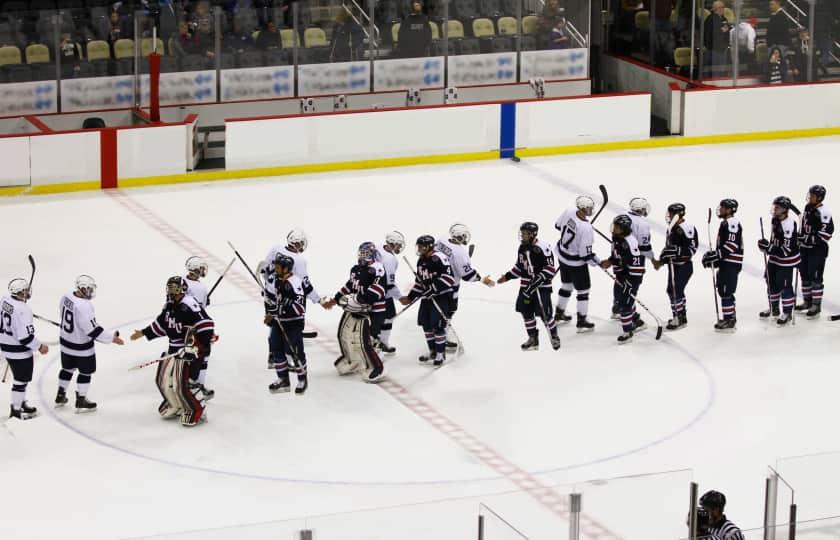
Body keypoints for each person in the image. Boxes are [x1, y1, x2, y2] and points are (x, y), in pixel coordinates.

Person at [130, 277, 215, 427]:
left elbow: (206, 325)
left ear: (182, 289)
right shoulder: (169, 305)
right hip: (174, 349)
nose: (171, 293)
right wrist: (144, 332)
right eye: (169, 289)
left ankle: (197, 410)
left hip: (190, 351)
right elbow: (162, 324)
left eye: (175, 289)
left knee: (185, 383)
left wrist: (199, 346)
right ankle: (175, 405)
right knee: (164, 380)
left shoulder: (190, 304)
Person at [261, 228, 332, 368]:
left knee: (275, 325)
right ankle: (287, 359)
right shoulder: (299, 260)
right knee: (289, 327)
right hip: (287, 299)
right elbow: (304, 285)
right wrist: (319, 299)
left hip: (270, 296)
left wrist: (268, 285)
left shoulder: (276, 248)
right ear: (298, 243)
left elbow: (264, 268)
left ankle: (273, 357)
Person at [56, 276, 124, 412]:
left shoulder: (67, 296)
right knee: (86, 373)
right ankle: (81, 400)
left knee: (67, 369)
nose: (91, 291)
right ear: (82, 289)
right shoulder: (84, 306)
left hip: (65, 342)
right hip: (81, 347)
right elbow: (92, 330)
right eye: (89, 289)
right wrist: (111, 337)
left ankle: (60, 394)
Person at [326, 242, 387, 383]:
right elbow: (350, 285)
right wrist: (335, 299)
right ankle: (352, 360)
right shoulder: (356, 269)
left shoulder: (377, 268)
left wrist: (360, 300)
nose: (362, 257)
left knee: (366, 341)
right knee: (342, 334)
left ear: (372, 254)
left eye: (365, 254)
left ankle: (378, 367)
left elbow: (379, 289)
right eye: (361, 253)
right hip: (355, 308)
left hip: (373, 310)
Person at [496, 222, 562, 351]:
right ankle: (533, 338)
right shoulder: (522, 248)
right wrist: (507, 276)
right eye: (522, 233)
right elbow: (520, 268)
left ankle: (554, 336)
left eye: (525, 234)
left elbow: (549, 270)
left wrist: (534, 284)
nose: (522, 236)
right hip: (525, 287)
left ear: (533, 234)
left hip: (541, 288)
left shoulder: (543, 247)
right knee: (525, 312)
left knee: (545, 314)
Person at [434, 224, 495, 351]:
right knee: (448, 311)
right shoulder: (460, 253)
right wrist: (482, 279)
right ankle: (441, 338)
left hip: (434, 280)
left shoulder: (442, 239)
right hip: (450, 286)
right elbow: (467, 275)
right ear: (459, 236)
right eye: (463, 236)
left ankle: (439, 334)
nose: (465, 238)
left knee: (438, 309)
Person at [399, 235, 455, 367]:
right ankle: (433, 351)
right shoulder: (421, 260)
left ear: (429, 246)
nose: (419, 249)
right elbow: (420, 283)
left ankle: (441, 355)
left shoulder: (439, 258)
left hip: (441, 297)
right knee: (426, 324)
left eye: (421, 246)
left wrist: (433, 289)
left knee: (437, 325)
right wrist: (411, 296)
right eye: (418, 246)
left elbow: (449, 279)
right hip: (427, 298)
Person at [1, 279, 49, 420]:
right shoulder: (23, 310)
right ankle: (16, 410)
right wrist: (40, 346)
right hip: (18, 350)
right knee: (21, 381)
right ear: (19, 293)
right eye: (25, 291)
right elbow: (25, 338)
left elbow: (10, 314)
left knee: (21, 379)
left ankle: (21, 403)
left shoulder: (5, 299)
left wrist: (18, 313)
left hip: (5, 344)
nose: (27, 293)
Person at [263, 254, 310, 394]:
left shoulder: (295, 283)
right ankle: (283, 379)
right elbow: (276, 300)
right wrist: (272, 307)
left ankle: (302, 379)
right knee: (275, 347)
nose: (275, 269)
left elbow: (299, 307)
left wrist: (277, 310)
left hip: (293, 323)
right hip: (280, 321)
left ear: (286, 268)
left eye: (278, 267)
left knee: (296, 352)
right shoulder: (278, 280)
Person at [553, 196, 601, 333]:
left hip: (562, 256)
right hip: (576, 264)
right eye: (588, 208)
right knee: (583, 291)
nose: (590, 210)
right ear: (582, 208)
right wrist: (598, 262)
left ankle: (559, 314)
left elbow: (557, 226)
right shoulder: (586, 228)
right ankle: (582, 321)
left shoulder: (569, 211)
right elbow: (585, 255)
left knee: (567, 285)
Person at [601, 215, 646, 344]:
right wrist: (610, 261)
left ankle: (628, 332)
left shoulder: (631, 243)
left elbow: (638, 268)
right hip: (621, 276)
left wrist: (630, 283)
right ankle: (636, 320)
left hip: (631, 278)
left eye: (617, 227)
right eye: (614, 226)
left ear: (625, 229)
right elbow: (618, 257)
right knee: (619, 301)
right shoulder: (616, 239)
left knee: (625, 305)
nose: (614, 229)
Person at [612, 197, 656, 326]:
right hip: (635, 258)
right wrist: (653, 259)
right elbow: (644, 247)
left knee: (620, 281)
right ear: (641, 210)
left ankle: (617, 307)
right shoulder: (643, 224)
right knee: (631, 287)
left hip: (619, 255)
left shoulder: (621, 216)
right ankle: (630, 315)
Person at [758, 196, 800, 325]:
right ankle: (774, 308)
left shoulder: (789, 224)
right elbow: (774, 241)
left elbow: (786, 250)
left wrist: (770, 248)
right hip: (774, 259)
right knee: (771, 282)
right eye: (774, 206)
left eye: (778, 207)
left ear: (785, 210)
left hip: (786, 260)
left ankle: (787, 313)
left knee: (784, 285)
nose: (775, 209)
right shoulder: (775, 220)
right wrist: (766, 246)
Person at [703, 199, 743, 332]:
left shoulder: (732, 223)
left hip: (731, 263)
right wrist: (715, 258)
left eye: (723, 208)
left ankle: (729, 320)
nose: (720, 210)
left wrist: (716, 255)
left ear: (730, 210)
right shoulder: (725, 223)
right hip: (726, 262)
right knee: (723, 290)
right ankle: (729, 317)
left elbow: (732, 245)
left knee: (726, 291)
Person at [657, 203, 698, 331]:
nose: (668, 215)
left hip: (683, 266)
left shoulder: (687, 227)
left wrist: (677, 251)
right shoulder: (671, 228)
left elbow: (692, 249)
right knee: (672, 290)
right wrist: (664, 257)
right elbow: (669, 248)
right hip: (673, 266)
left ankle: (680, 318)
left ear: (677, 214)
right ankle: (678, 316)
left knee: (676, 291)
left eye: (670, 213)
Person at [796, 185, 833, 319]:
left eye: (812, 195)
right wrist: (799, 238)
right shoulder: (808, 208)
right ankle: (807, 301)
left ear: (819, 198)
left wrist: (808, 238)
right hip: (804, 249)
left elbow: (826, 234)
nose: (810, 197)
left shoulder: (824, 212)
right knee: (804, 275)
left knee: (815, 277)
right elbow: (804, 227)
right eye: (810, 195)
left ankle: (816, 305)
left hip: (817, 251)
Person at [375, 231, 405, 355]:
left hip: (371, 290)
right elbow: (389, 284)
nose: (399, 247)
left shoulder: (377, 247)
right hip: (382, 295)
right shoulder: (390, 259)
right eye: (398, 245)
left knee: (380, 319)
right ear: (392, 244)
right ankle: (380, 345)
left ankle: (380, 344)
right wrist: (400, 297)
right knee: (387, 318)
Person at [703, 1, 731, 67]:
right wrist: (710, 48)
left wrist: (726, 45)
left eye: (723, 7)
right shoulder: (710, 19)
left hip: (723, 49)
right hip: (714, 50)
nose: (723, 9)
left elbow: (726, 32)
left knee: (722, 70)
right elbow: (707, 34)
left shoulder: (724, 19)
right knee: (716, 70)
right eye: (720, 7)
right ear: (715, 8)